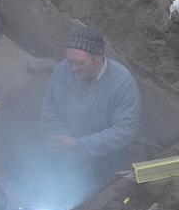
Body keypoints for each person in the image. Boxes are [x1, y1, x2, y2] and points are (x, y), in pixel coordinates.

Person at [39, 26, 141, 185]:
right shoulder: (63, 70)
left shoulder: (122, 84)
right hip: (67, 152)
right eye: (70, 61)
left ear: (98, 57)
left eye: (80, 63)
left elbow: (123, 131)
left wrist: (80, 146)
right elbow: (50, 110)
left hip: (105, 159)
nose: (73, 69)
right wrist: (63, 140)